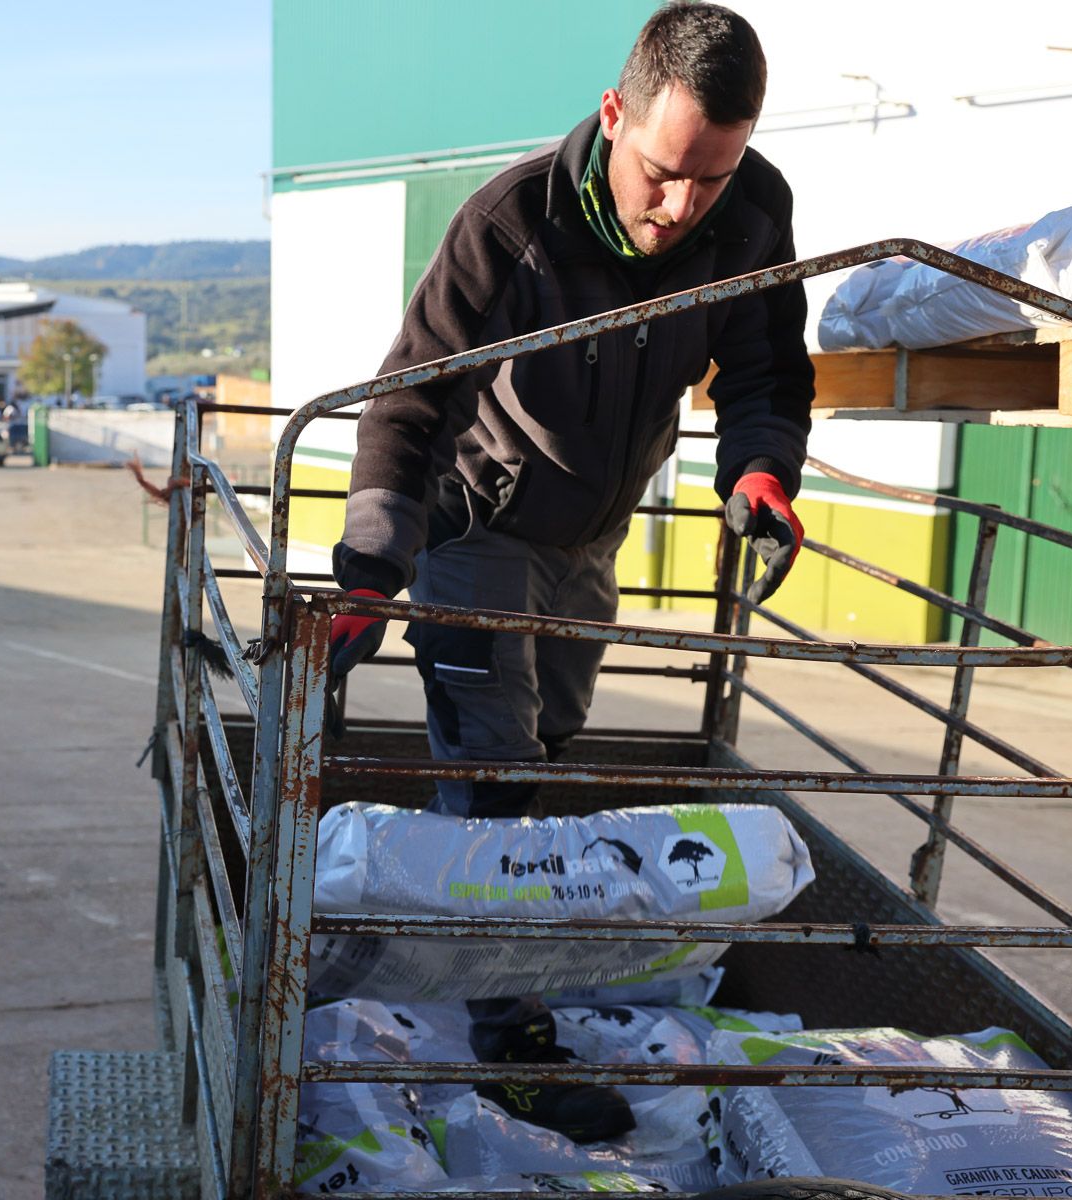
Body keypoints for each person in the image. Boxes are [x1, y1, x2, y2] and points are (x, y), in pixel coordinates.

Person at [325, 2, 812, 1143]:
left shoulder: (752, 212)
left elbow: (766, 370)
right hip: (479, 527)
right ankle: (509, 1042)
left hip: (592, 537)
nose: (681, 207)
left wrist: (761, 471)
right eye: (663, 174)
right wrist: (371, 564)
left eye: (711, 177)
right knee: (495, 777)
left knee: (541, 749)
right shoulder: (513, 223)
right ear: (614, 114)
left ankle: (431, 917)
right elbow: (409, 399)